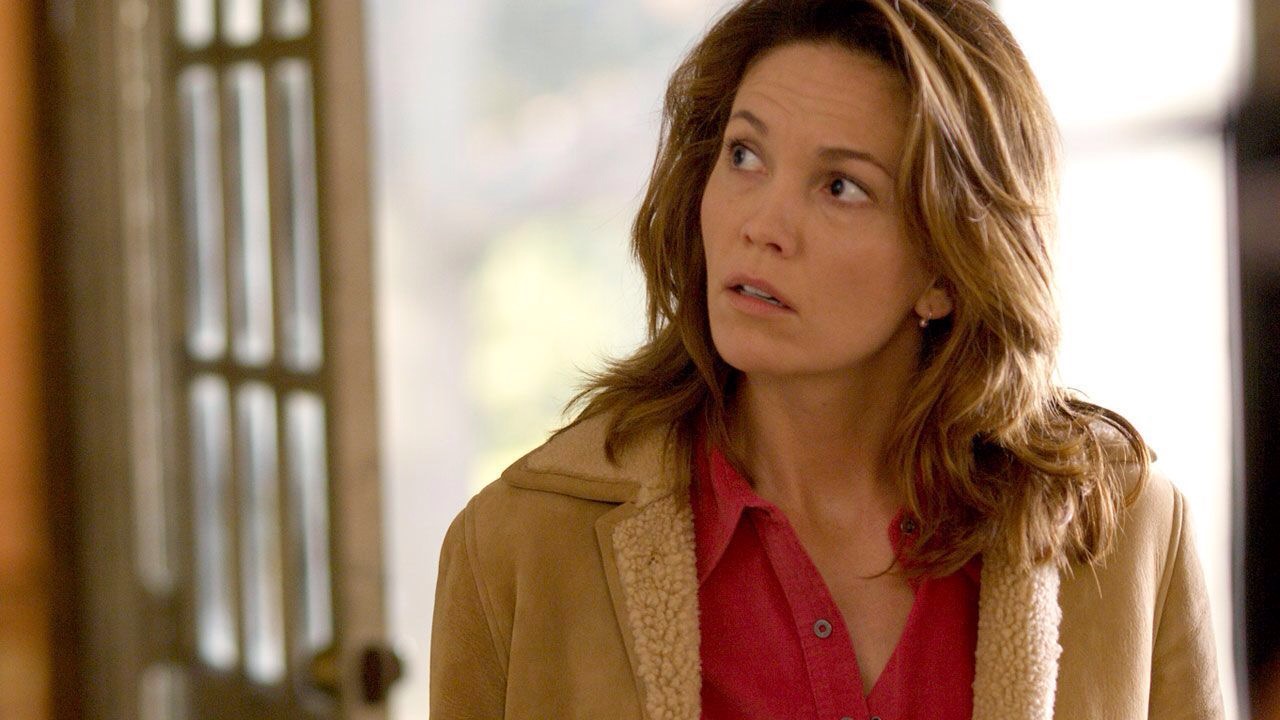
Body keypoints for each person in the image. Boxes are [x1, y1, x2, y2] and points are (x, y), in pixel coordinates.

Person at [430, 0, 1225, 717]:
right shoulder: (520, 547)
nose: (762, 224)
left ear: (946, 271)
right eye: (745, 155)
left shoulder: (1125, 535)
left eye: (841, 187)